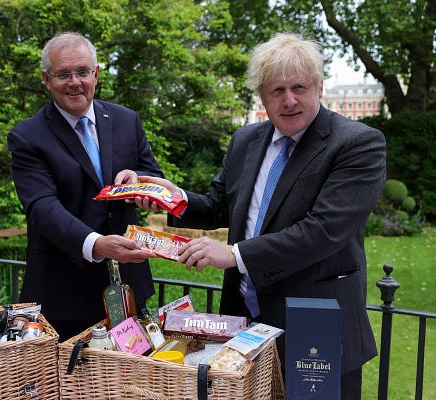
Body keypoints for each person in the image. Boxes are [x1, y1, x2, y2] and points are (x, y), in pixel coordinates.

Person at [127, 32, 386, 399]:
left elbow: (324, 231)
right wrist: (174, 198)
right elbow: (220, 204)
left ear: (319, 87)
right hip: (244, 321)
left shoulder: (358, 143)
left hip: (315, 324)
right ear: (262, 95)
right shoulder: (246, 140)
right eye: (277, 90)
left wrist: (234, 255)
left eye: (299, 87)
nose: (289, 100)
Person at [7, 32, 163, 342]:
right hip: (64, 295)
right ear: (46, 79)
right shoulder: (27, 136)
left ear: (96, 73)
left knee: (130, 382)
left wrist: (138, 180)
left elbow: (152, 175)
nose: (74, 82)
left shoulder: (126, 120)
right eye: (63, 74)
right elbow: (41, 208)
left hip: (130, 286)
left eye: (82, 72)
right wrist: (97, 244)